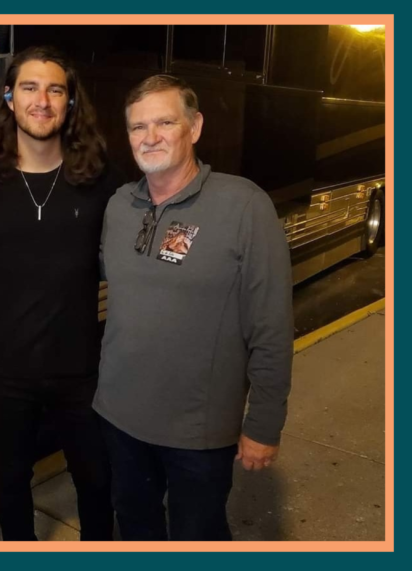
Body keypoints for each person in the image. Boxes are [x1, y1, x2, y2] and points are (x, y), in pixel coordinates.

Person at [94, 74, 294, 541]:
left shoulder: (243, 206)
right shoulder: (120, 206)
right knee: (136, 528)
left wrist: (264, 423)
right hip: (120, 418)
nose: (150, 137)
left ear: (195, 127)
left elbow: (271, 326)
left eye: (165, 122)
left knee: (197, 535)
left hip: (198, 432)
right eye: (138, 127)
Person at [0, 46, 118, 541]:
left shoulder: (97, 179)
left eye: (55, 89)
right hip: (6, 368)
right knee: (10, 480)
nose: (43, 100)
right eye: (30, 88)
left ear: (70, 102)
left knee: (97, 479)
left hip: (81, 367)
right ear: (9, 99)